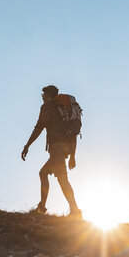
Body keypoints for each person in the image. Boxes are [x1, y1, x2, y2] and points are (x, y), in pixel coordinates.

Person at [21, 85, 82, 218]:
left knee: (61, 179)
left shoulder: (47, 107)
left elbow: (38, 127)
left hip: (56, 150)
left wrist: (27, 146)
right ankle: (47, 207)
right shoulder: (63, 110)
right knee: (49, 175)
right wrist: (73, 155)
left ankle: (74, 210)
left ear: (48, 95)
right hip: (64, 149)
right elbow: (74, 134)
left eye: (43, 95)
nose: (42, 97)